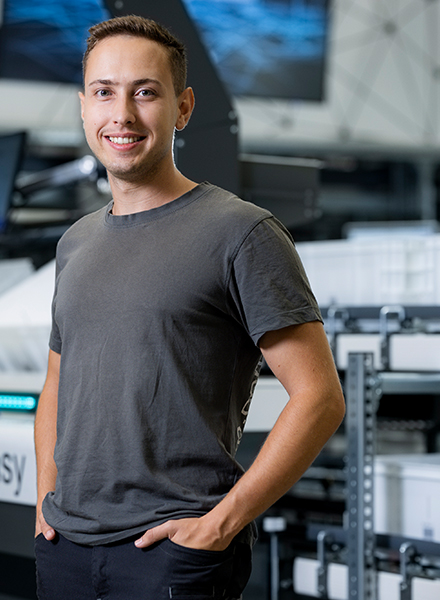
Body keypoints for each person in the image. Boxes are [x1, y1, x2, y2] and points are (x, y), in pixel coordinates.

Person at [34, 14, 345, 600]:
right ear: (83, 107)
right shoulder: (75, 241)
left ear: (183, 108)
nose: (121, 115)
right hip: (65, 550)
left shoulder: (243, 233)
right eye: (104, 92)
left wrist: (221, 524)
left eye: (145, 92)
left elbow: (320, 398)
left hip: (172, 555)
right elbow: (56, 380)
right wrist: (46, 497)